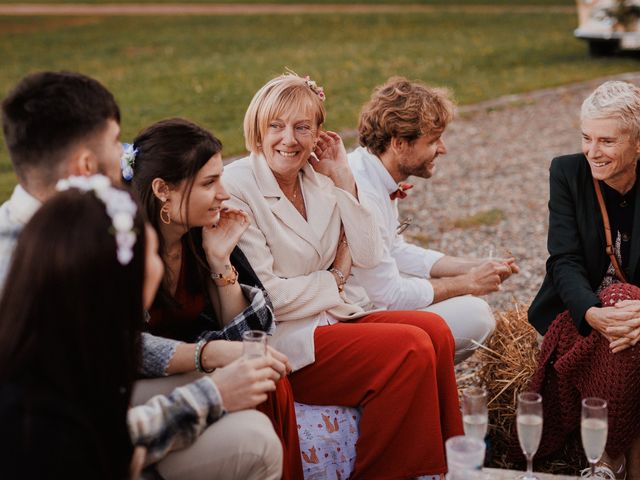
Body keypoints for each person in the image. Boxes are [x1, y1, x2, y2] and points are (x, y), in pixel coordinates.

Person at [0, 71, 283, 480]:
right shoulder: (46, 262)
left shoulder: (86, 225)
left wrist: (206, 355)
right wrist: (212, 394)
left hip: (94, 416)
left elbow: (118, 348)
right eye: (117, 142)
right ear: (84, 164)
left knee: (247, 413)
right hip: (69, 443)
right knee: (253, 435)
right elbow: (81, 433)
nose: (126, 154)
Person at [223, 72, 464, 479]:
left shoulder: (318, 176)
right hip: (287, 337)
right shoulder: (238, 185)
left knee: (435, 332)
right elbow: (270, 298)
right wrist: (334, 277)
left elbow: (368, 254)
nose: (289, 139)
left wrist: (343, 179)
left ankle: (445, 468)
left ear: (318, 133)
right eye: (276, 126)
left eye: (302, 127)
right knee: (408, 348)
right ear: (257, 129)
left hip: (332, 318)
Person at [126, 117, 303, 480]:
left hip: (189, 370)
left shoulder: (200, 235)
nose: (224, 192)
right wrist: (206, 355)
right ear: (163, 190)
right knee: (255, 380)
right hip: (130, 388)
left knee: (263, 377)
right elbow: (117, 346)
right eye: (209, 182)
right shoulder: (124, 248)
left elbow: (247, 336)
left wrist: (220, 263)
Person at [347, 76, 518, 364]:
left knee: (457, 301)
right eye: (433, 140)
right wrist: (468, 282)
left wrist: (470, 267)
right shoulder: (363, 192)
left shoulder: (370, 170)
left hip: (368, 300)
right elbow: (390, 295)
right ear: (400, 143)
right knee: (476, 316)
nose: (443, 148)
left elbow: (396, 250)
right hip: (353, 319)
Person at [527, 80, 640, 479]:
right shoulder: (567, 172)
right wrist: (593, 313)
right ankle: (618, 457)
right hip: (582, 312)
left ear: (638, 143)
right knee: (623, 321)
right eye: (586, 138)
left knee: (627, 312)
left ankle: (610, 457)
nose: (593, 151)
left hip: (634, 315)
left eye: (607, 141)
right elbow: (564, 260)